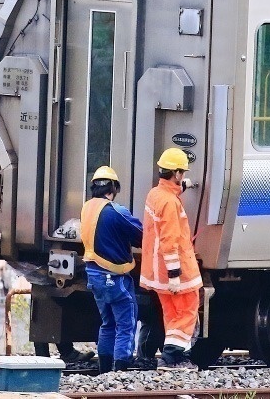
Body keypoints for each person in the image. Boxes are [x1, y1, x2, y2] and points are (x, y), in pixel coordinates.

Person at [140, 148, 202, 370]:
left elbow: (169, 194)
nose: (183, 176)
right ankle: (171, 357)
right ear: (175, 173)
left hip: (156, 270)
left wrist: (185, 187)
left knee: (172, 314)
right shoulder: (170, 203)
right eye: (182, 173)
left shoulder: (155, 195)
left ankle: (175, 358)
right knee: (186, 311)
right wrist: (175, 275)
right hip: (175, 270)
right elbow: (170, 240)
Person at [80, 166, 144, 372]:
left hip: (94, 274)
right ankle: (121, 369)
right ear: (114, 187)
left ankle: (105, 369)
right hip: (114, 276)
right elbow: (141, 235)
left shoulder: (87, 208)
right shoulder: (116, 211)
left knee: (108, 323)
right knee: (126, 323)